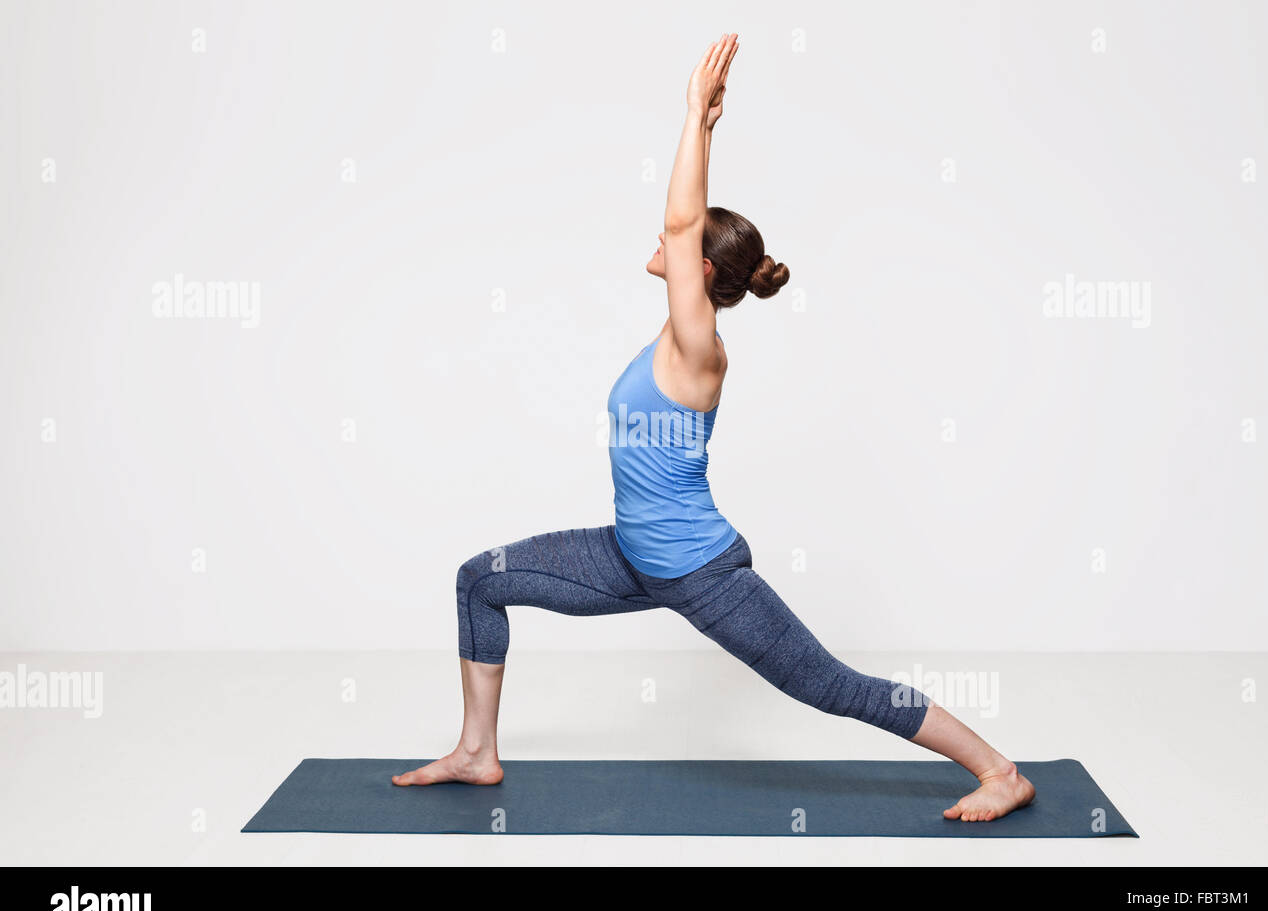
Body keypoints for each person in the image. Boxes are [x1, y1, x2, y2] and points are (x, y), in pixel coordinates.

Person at [395, 33, 1035, 822]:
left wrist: (694, 114)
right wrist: (705, 129)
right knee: (480, 579)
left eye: (683, 245)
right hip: (630, 556)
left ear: (701, 272)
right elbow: (681, 225)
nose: (663, 239)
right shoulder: (670, 339)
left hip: (700, 571)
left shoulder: (700, 351)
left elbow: (680, 218)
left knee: (831, 686)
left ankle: (999, 770)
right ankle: (477, 752)